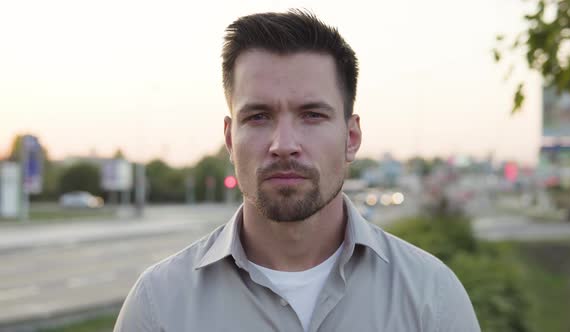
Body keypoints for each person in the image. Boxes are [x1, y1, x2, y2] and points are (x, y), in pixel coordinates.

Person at [114, 9, 481, 332]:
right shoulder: (157, 306)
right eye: (258, 116)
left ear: (350, 137)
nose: (283, 143)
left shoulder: (432, 297)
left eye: (312, 115)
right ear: (229, 139)